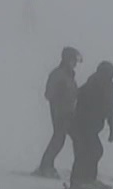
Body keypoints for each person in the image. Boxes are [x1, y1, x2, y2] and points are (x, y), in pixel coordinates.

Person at [68, 61, 113, 189]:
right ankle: (79, 181)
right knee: (87, 152)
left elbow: (111, 109)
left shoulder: (106, 87)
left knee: (93, 151)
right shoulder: (92, 86)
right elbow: (82, 107)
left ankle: (88, 179)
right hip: (82, 125)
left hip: (91, 126)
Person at [34, 47, 82, 178]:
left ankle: (48, 165)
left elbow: (73, 92)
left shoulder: (68, 74)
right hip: (60, 112)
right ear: (67, 59)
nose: (75, 64)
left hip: (69, 111)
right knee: (59, 138)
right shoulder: (58, 74)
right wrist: (60, 96)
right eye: (73, 60)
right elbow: (49, 93)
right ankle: (46, 166)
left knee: (65, 138)